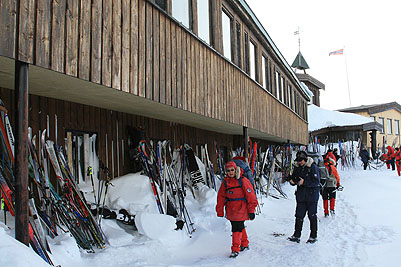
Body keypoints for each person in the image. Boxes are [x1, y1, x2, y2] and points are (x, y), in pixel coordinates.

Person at [216, 161, 258, 258]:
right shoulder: (225, 183)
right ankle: (244, 243)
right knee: (239, 226)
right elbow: (221, 197)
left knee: (236, 228)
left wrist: (251, 210)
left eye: (232, 170)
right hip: (231, 210)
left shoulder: (243, 180)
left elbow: (251, 196)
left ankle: (235, 249)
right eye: (228, 170)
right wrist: (220, 210)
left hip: (241, 209)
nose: (230, 172)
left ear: (236, 170)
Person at [287, 151, 321, 244]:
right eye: (298, 160)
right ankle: (296, 235)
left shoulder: (313, 167)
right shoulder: (297, 168)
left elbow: (316, 182)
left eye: (301, 160)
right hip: (301, 196)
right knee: (299, 216)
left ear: (305, 159)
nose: (300, 162)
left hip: (312, 196)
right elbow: (294, 178)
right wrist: (292, 181)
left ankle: (313, 236)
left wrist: (304, 182)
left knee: (312, 216)